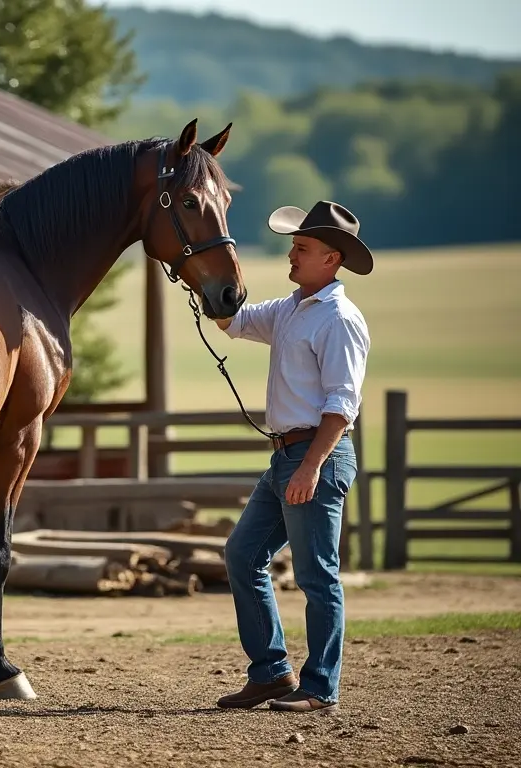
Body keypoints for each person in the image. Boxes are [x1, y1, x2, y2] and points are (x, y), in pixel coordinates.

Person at [213, 200, 372, 714]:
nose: (292, 255)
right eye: (293, 246)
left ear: (332, 258)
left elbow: (341, 404)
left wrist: (311, 466)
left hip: (314, 457)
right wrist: (200, 265)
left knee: (317, 575)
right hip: (286, 456)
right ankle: (271, 673)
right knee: (242, 555)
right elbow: (231, 320)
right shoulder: (289, 309)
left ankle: (320, 687)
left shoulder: (341, 319)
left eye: (302, 248)